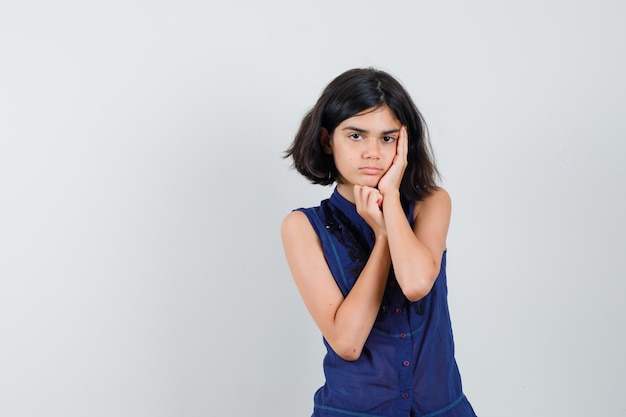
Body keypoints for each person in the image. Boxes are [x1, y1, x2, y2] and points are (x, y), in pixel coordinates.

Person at [281, 68, 477, 417]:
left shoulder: (431, 203)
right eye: (356, 136)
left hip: (442, 409)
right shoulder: (303, 227)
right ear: (328, 140)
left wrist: (390, 197)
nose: (373, 152)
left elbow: (416, 283)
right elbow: (348, 342)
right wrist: (384, 237)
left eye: (387, 138)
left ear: (404, 143)